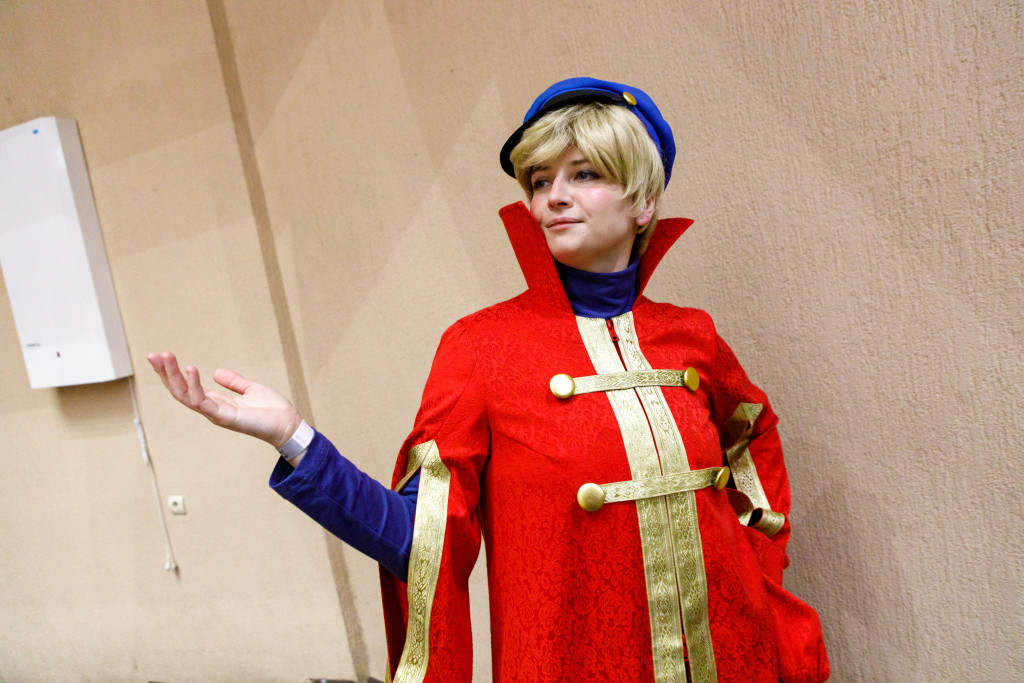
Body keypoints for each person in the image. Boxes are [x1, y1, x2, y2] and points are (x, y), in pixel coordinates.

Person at [149, 77, 829, 683]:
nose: (554, 196)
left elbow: (752, 440)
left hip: (733, 658)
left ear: (644, 200)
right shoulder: (481, 347)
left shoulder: (693, 335)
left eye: (584, 173)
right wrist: (294, 439)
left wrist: (758, 571)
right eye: (539, 180)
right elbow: (421, 538)